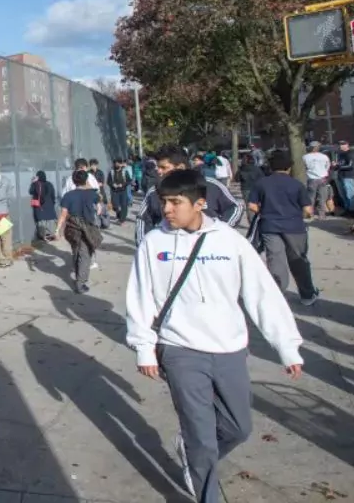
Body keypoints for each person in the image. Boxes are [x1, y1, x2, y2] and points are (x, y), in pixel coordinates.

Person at [126, 169, 304, 502]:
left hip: (229, 348)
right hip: (179, 349)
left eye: (175, 202)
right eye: (164, 202)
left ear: (200, 203)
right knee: (201, 434)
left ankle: (193, 453)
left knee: (239, 428)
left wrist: (287, 345)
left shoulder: (229, 241)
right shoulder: (154, 243)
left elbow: (262, 294)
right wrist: (144, 347)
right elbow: (140, 297)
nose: (167, 209)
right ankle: (205, 489)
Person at [248, 150, 320, 306]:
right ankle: (307, 295)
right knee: (298, 260)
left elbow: (252, 205)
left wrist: (264, 212)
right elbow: (308, 210)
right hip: (294, 226)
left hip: (269, 226)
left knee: (275, 261)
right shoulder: (297, 184)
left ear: (271, 167)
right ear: (289, 167)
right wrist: (304, 215)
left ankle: (278, 294)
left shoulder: (262, 183)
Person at [136, 145, 243, 245]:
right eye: (158, 167)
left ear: (181, 167)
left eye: (163, 167)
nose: (158, 171)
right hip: (171, 250)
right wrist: (145, 245)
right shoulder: (154, 192)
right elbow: (143, 218)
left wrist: (220, 231)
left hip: (210, 248)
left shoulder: (210, 185)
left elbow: (235, 207)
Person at [54, 170, 102, 294]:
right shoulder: (92, 194)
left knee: (76, 251)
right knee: (85, 255)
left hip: (72, 228)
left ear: (73, 181)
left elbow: (63, 214)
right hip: (87, 228)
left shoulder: (68, 196)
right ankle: (80, 283)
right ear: (86, 180)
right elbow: (99, 208)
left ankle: (78, 275)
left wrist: (57, 230)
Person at [302, 142, 332, 220]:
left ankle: (310, 214)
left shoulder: (305, 157)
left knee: (311, 197)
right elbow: (328, 166)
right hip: (323, 179)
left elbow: (304, 167)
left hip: (312, 178)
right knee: (322, 197)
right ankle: (322, 215)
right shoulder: (324, 157)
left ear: (310, 148)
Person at [27, 171, 58, 242]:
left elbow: (30, 191)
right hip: (49, 206)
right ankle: (50, 234)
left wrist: (33, 183)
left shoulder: (36, 184)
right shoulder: (49, 184)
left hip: (39, 207)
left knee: (41, 222)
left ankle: (43, 236)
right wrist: (52, 203)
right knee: (50, 222)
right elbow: (53, 195)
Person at [334, 141, 354, 215]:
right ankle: (347, 209)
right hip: (340, 176)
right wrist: (335, 165)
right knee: (343, 195)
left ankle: (352, 211)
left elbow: (350, 166)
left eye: (343, 144)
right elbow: (338, 166)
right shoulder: (340, 154)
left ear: (347, 145)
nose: (341, 146)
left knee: (350, 194)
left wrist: (338, 166)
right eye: (340, 144)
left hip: (349, 177)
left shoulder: (351, 154)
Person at [108, 159, 133, 225]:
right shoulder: (111, 172)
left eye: (118, 163)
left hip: (123, 191)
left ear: (121, 164)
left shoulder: (125, 171)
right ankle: (119, 215)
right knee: (115, 206)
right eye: (115, 163)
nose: (117, 165)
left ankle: (122, 220)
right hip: (114, 191)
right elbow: (108, 181)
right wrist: (113, 184)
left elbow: (129, 181)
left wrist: (122, 184)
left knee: (124, 205)